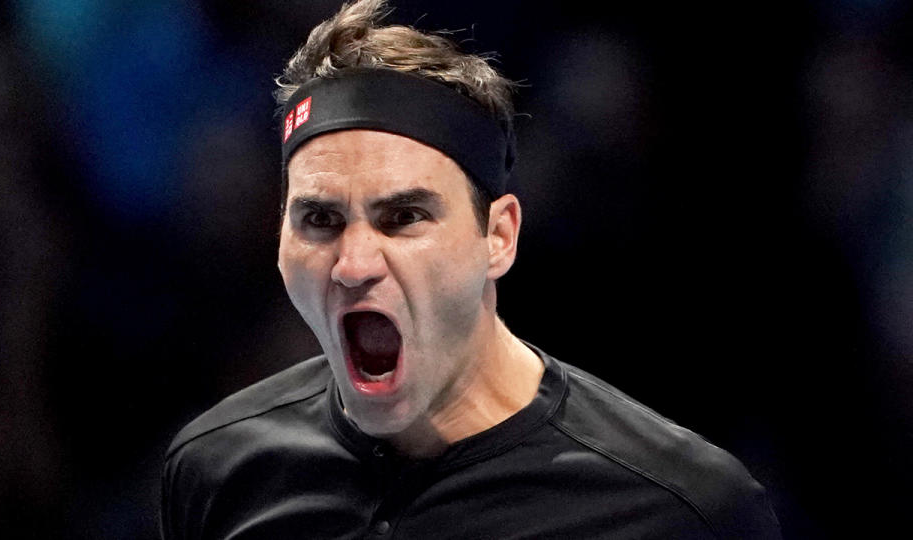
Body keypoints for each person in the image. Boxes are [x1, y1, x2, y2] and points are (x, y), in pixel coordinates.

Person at [160, 1, 782, 538]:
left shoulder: (682, 509)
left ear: (499, 235)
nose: (352, 265)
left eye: (403, 217)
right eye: (319, 221)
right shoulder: (217, 470)